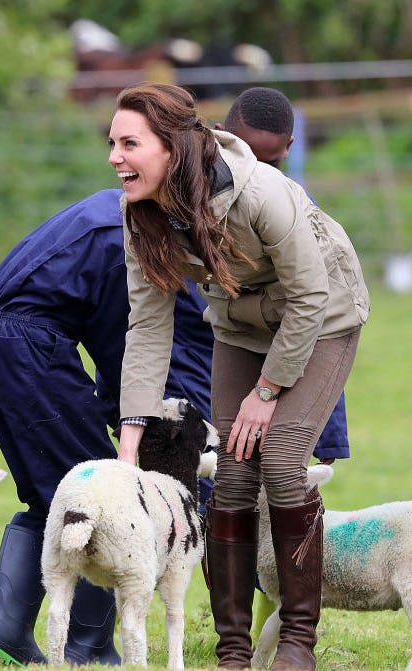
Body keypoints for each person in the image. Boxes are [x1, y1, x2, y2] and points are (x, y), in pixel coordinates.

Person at [110, 83, 369, 671]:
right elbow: (148, 329)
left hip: (323, 313)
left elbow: (309, 294)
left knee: (279, 461)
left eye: (129, 143)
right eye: (113, 142)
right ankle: (233, 651)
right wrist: (129, 449)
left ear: (171, 147)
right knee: (230, 472)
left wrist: (266, 391)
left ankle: (298, 642)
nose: (115, 158)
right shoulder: (139, 212)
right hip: (241, 322)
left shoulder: (259, 191)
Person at [0, 188, 213, 667]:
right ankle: (90, 644)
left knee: (53, 492)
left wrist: (117, 408)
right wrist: (136, 418)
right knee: (97, 494)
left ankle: (5, 631)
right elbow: (126, 340)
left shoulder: (114, 211)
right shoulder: (132, 235)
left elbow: (110, 332)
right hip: (30, 348)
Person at [219, 86, 350, 465]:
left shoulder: (295, 212)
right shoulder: (201, 210)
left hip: (289, 350)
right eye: (245, 161)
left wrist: (327, 436)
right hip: (233, 342)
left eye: (268, 164)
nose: (254, 179)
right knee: (235, 464)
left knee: (283, 465)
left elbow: (318, 314)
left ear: (289, 148)